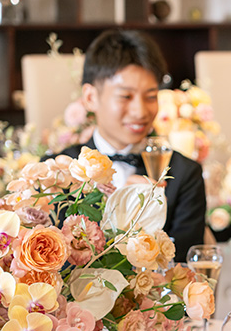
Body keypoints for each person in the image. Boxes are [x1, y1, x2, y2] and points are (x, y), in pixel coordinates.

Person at [59, 29, 206, 262]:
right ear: (90, 98)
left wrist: (152, 217)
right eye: (125, 97)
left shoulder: (184, 173)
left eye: (150, 96)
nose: (140, 112)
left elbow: (183, 270)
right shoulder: (59, 171)